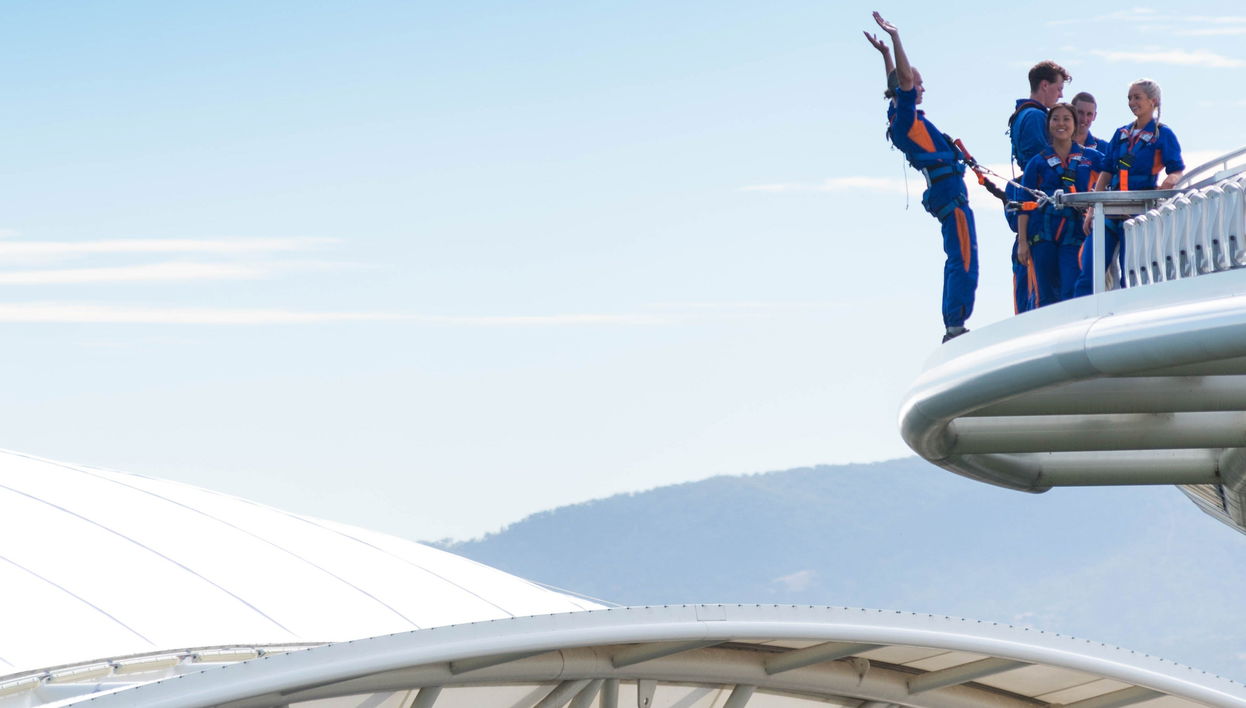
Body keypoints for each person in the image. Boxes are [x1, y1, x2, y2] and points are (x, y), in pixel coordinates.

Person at [866, 12, 976, 343]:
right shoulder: (905, 118)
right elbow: (903, 83)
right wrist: (897, 40)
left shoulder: (898, 115)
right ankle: (955, 325)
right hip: (950, 195)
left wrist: (885, 55)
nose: (922, 87)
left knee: (958, 256)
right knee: (964, 259)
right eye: (918, 83)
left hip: (946, 192)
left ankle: (953, 322)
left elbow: (896, 83)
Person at [1075, 79, 1185, 296]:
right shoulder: (1121, 134)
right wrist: (1091, 210)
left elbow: (1176, 168)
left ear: (1152, 101)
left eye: (1137, 97)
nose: (1132, 102)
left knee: (1130, 274)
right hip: (1110, 211)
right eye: (1129, 98)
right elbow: (1106, 171)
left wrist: (1169, 181)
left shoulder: (1162, 134)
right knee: (1089, 273)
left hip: (1137, 214)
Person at [1016, 103, 1104, 306]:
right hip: (1042, 235)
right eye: (1056, 119)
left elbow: (1112, 174)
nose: (1061, 124)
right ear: (1048, 124)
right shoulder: (1037, 162)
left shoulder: (1091, 158)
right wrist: (1022, 242)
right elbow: (1023, 204)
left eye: (1066, 119)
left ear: (1075, 124)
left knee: (1071, 290)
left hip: (1075, 234)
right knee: (1045, 295)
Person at [1007, 60, 1071, 314]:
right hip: (1039, 209)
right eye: (1058, 88)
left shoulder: (1025, 113)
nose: (1061, 95)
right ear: (1044, 85)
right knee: (1038, 283)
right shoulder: (1034, 116)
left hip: (1032, 204)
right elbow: (1040, 161)